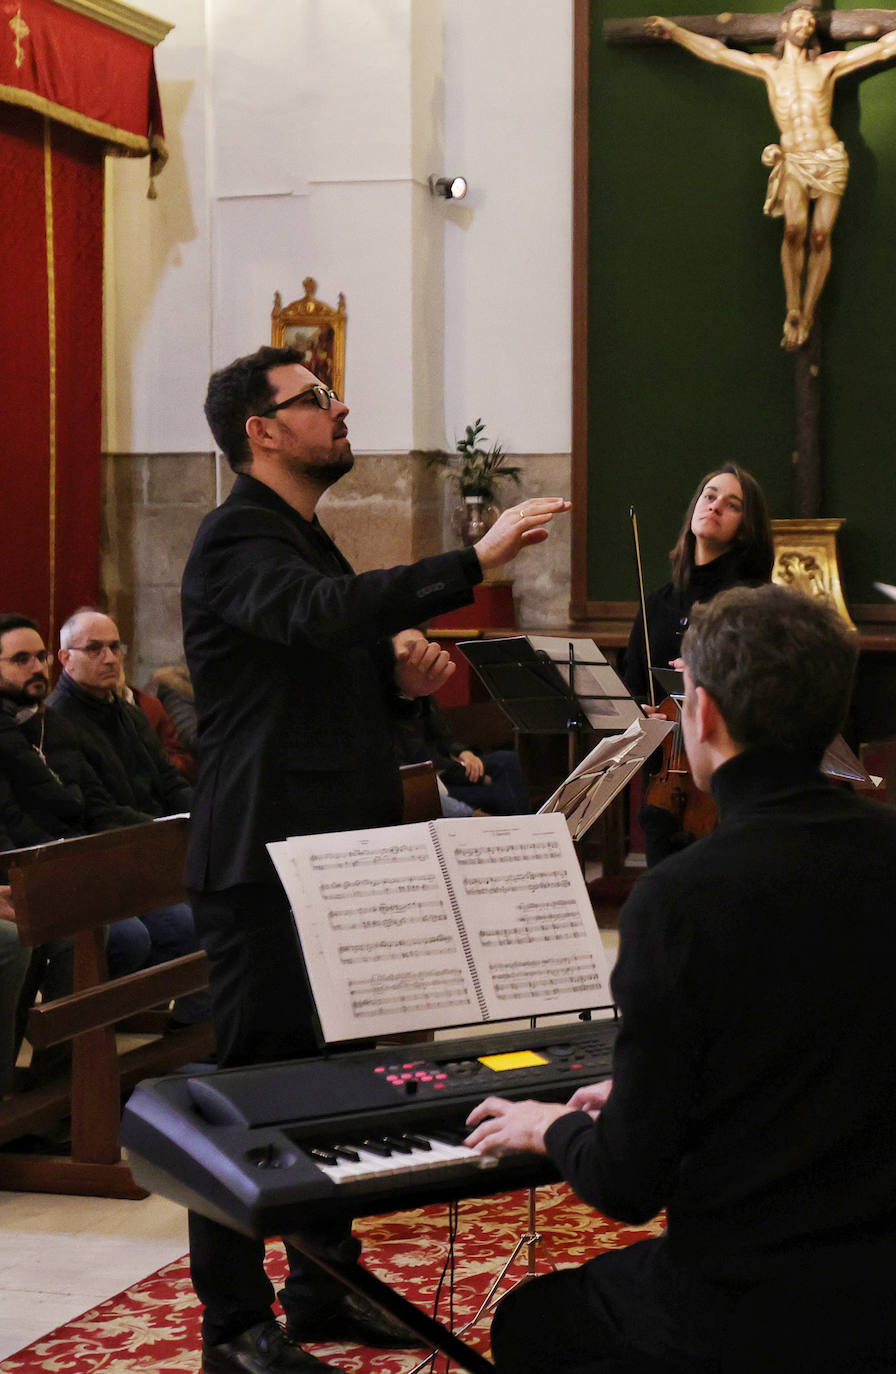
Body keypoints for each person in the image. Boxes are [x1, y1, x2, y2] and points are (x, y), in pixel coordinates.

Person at [465, 583, 896, 1374]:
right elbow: (830, 1057)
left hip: (753, 1303)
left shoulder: (682, 896)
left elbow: (628, 1185)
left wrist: (549, 1126)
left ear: (700, 715)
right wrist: (663, 1099)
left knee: (533, 1321)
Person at [184, 344, 569, 1374]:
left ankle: (322, 1286)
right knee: (252, 1098)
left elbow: (309, 668)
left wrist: (391, 678)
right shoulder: (236, 540)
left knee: (338, 1088)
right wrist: (467, 565)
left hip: (337, 861)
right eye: (315, 400)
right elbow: (310, 623)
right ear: (262, 431)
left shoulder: (305, 542)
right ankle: (233, 1328)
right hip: (262, 864)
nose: (339, 408)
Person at [646, 5, 896, 349]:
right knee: (794, 230)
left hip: (828, 157)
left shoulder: (826, 66)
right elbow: (718, 54)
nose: (806, 22)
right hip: (795, 159)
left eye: (810, 20)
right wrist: (675, 32)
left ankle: (807, 313)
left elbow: (885, 47)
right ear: (784, 26)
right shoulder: (768, 68)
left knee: (819, 236)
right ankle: (792, 306)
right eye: (799, 17)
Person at [46, 610, 203, 1005]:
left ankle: (193, 1028)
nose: (111, 659)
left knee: (226, 910)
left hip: (151, 853)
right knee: (189, 926)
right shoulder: (58, 721)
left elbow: (171, 782)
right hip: (108, 862)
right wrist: (171, 832)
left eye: (115, 647)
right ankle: (179, 1026)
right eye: (94, 649)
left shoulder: (129, 714)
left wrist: (204, 817)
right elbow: (99, 812)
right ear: (66, 659)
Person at [623, 463, 773, 866]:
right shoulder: (656, 603)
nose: (715, 506)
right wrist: (640, 708)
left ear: (745, 527)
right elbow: (632, 684)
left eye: (733, 504)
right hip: (664, 781)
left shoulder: (755, 602)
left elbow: (768, 692)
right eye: (709, 496)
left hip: (731, 787)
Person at [391, 688, 529, 818]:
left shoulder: (422, 695)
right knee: (503, 793)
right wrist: (482, 779)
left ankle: (519, 825)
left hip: (446, 768)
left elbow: (443, 736)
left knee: (507, 760)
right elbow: (414, 764)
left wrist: (465, 754)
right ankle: (522, 828)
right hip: (429, 781)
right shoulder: (386, 705)